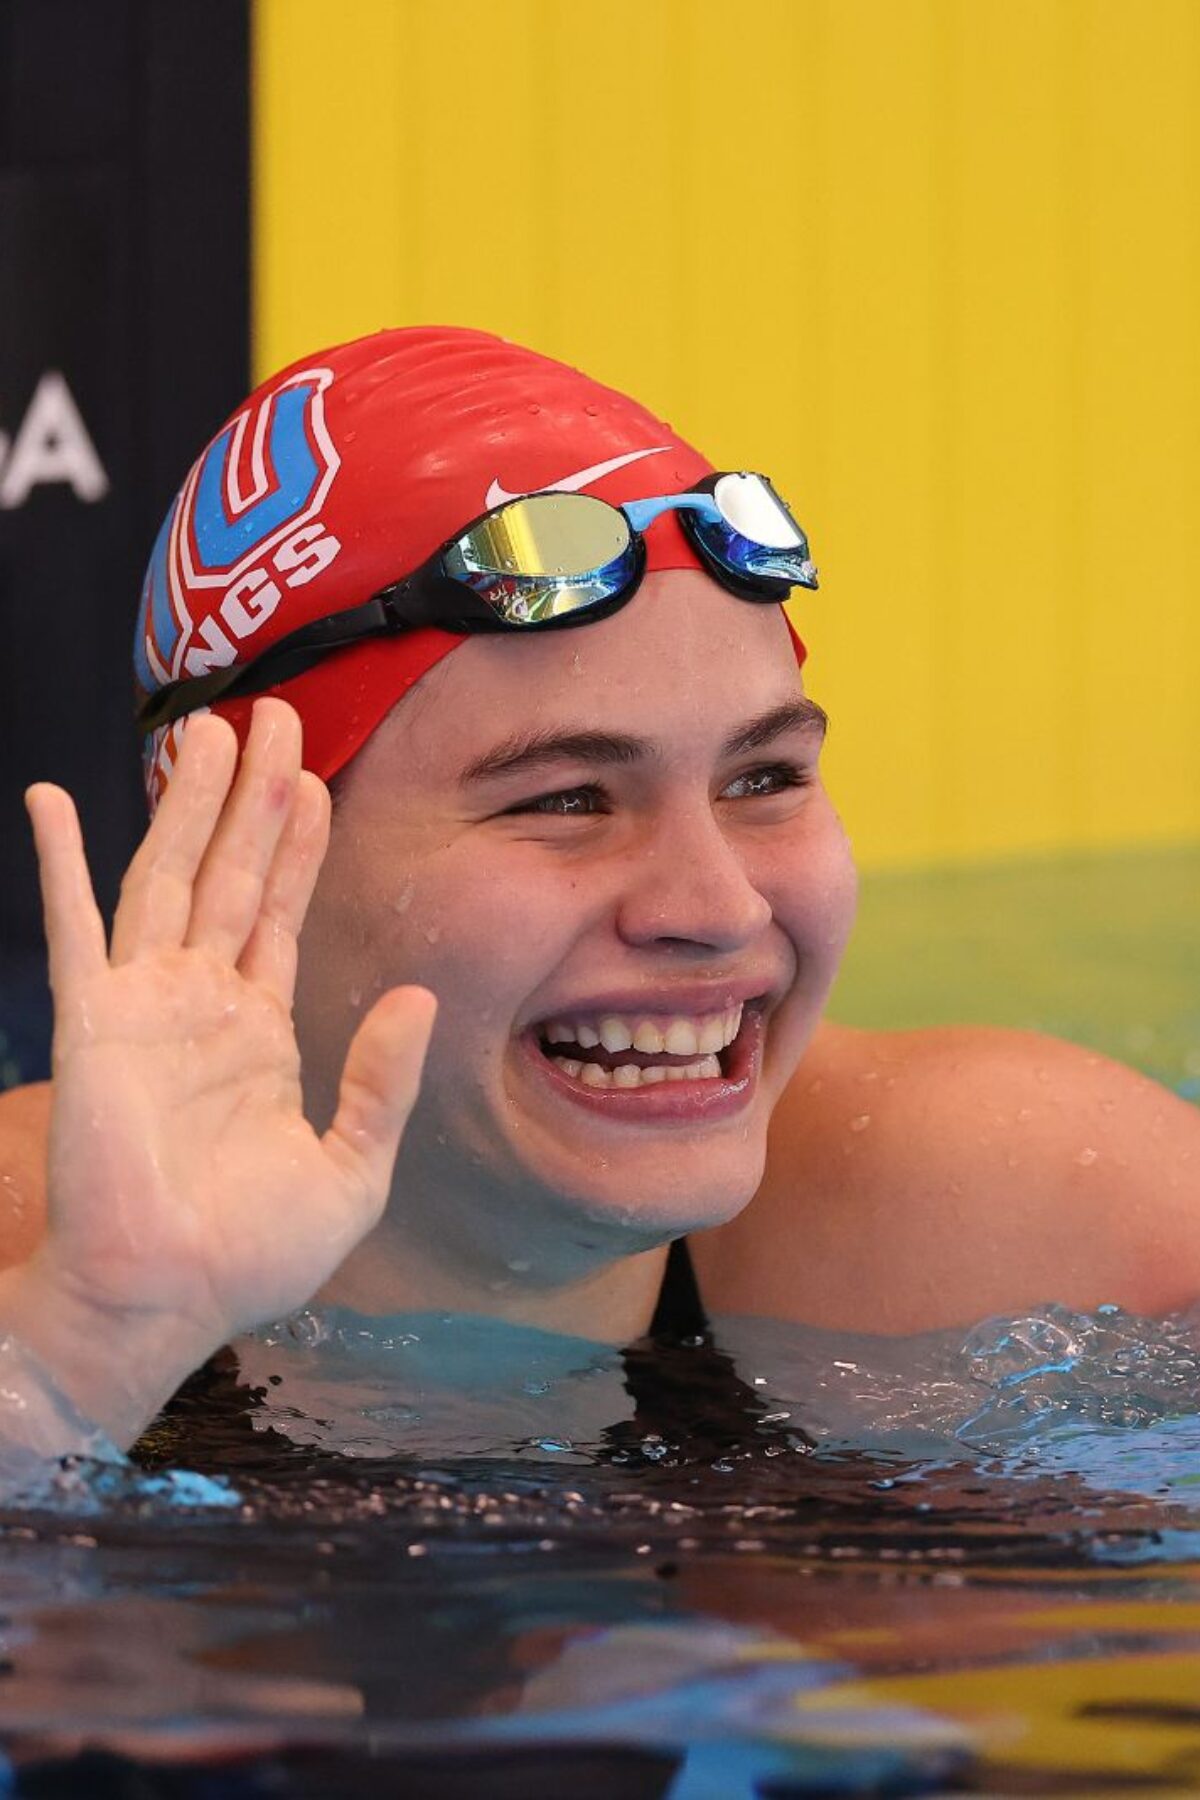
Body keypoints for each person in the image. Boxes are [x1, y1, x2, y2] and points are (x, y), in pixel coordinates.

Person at [0, 325, 1196, 1468]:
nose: (718, 906)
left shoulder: (1020, 1214)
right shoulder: (46, 1256)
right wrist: (89, 1354)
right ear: (248, 852)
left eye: (765, 778)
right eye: (567, 798)